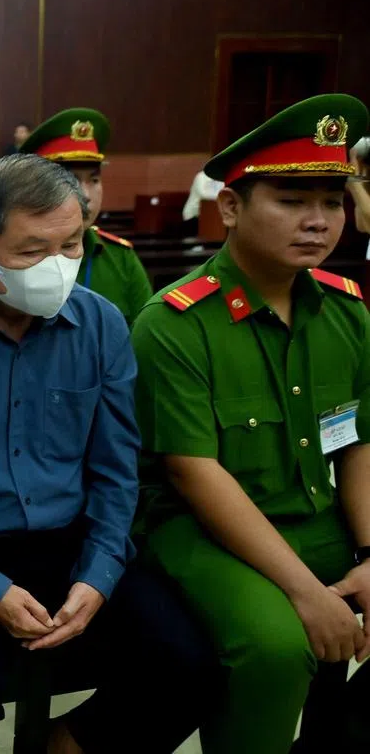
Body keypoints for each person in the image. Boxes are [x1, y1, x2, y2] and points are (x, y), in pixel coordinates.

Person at [0, 154, 214, 754]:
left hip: (70, 542)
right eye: (32, 253)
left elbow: (116, 468)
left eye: (72, 246)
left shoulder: (100, 324)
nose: (57, 269)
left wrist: (100, 574)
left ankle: (65, 744)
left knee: (187, 665)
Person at [132, 94, 370, 754]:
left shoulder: (347, 313)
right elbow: (193, 472)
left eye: (331, 202)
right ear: (231, 208)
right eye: (291, 201)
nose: (317, 222)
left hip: (311, 512)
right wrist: (307, 593)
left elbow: (356, 444)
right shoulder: (176, 322)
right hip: (199, 528)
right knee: (275, 645)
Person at [21, 108, 153, 324]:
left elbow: (141, 342)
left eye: (94, 180)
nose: (85, 195)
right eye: (70, 181)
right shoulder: (14, 259)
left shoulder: (121, 259)